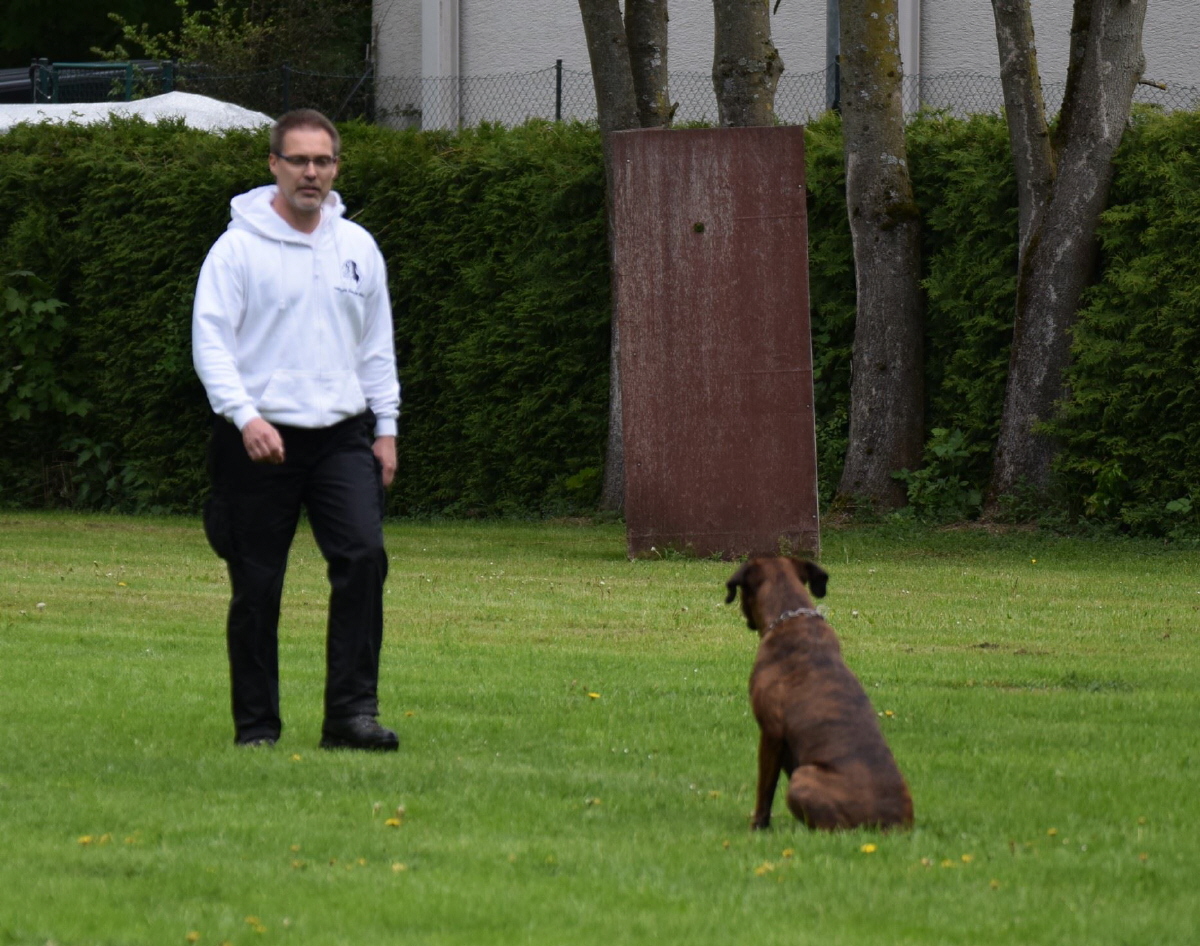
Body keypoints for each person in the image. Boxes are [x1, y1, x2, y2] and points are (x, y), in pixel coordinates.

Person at [193, 108, 401, 751]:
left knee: (363, 557)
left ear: (335, 168)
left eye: (322, 161)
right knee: (258, 583)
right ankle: (257, 727)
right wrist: (245, 415)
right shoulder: (237, 249)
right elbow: (211, 344)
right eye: (299, 160)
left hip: (341, 435)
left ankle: (351, 717)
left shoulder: (357, 247)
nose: (311, 172)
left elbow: (376, 347)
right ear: (274, 165)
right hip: (258, 440)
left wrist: (386, 427)